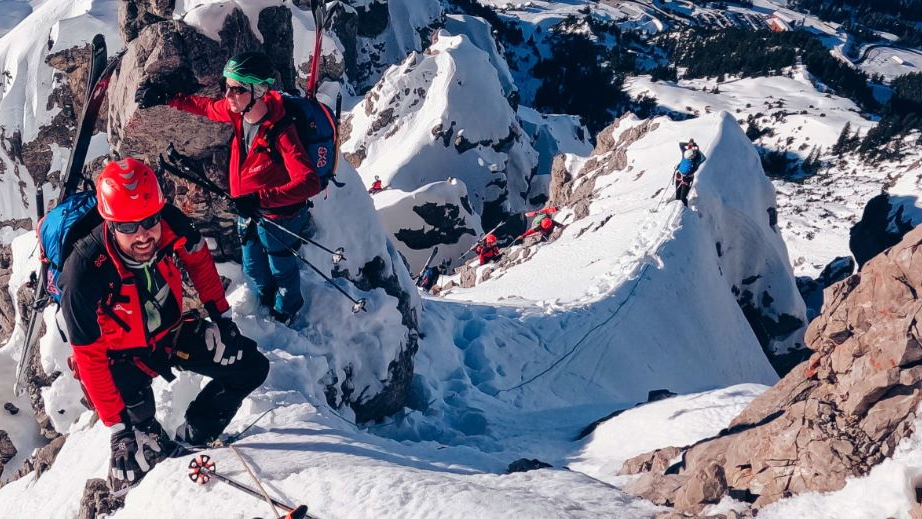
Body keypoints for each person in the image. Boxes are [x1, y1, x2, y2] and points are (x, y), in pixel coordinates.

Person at [60, 158, 270, 493]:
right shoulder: (83, 272)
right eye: (128, 226)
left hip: (169, 335)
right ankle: (117, 501)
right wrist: (117, 430)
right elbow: (89, 358)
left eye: (148, 221)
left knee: (250, 366)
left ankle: (195, 435)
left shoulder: (168, 221)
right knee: (138, 457)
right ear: (110, 223)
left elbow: (198, 259)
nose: (142, 235)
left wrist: (222, 318)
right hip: (121, 361)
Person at [135, 51, 320, 326]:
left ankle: (287, 309)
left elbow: (309, 182)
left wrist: (261, 199)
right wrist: (167, 97)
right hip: (249, 209)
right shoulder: (238, 114)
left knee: (281, 266)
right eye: (227, 87)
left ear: (257, 90)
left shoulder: (282, 132)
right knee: (254, 266)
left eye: (237, 89)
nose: (228, 95)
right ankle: (265, 299)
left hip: (279, 216)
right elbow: (207, 107)